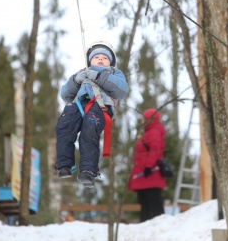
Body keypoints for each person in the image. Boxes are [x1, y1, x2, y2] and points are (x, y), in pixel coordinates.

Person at [55, 40, 128, 188]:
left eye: (105, 58)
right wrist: (76, 80)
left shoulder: (114, 73)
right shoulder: (82, 73)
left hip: (99, 106)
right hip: (79, 104)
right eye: (97, 57)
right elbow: (65, 94)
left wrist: (99, 76)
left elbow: (121, 90)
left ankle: (88, 170)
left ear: (110, 62)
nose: (100, 59)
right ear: (89, 60)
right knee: (64, 125)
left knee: (89, 130)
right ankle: (64, 163)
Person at [128, 108, 166, 222]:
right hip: (143, 174)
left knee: (153, 203)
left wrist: (149, 166)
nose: (142, 121)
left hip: (149, 174)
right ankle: (145, 225)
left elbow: (155, 151)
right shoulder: (149, 132)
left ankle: (157, 227)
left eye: (144, 118)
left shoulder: (154, 133)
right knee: (145, 203)